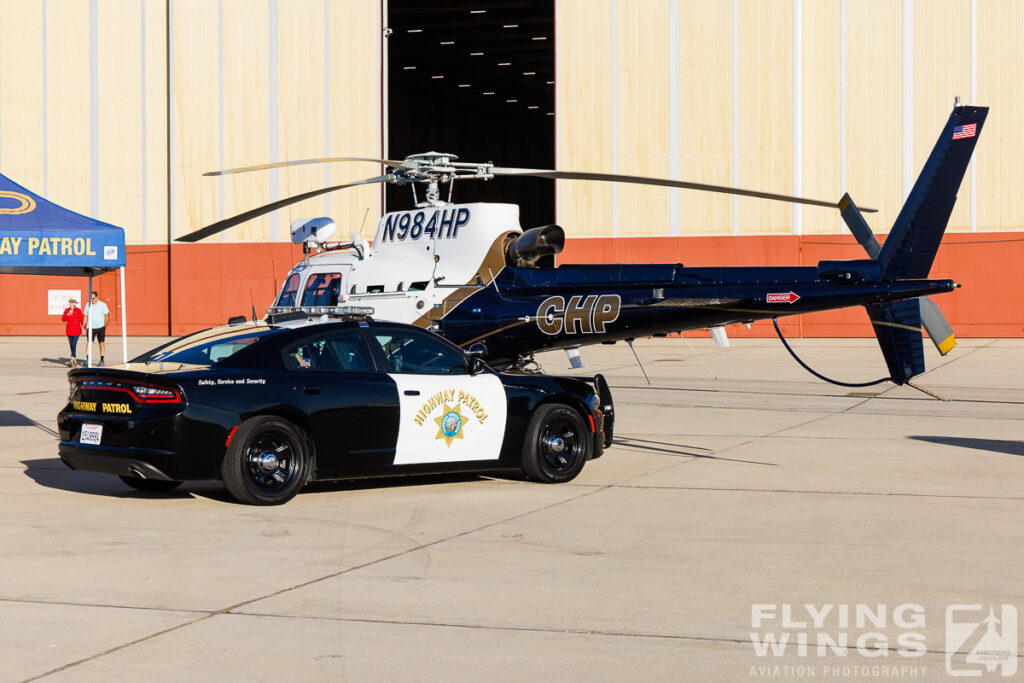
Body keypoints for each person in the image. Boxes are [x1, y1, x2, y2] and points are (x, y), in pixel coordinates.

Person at [83, 291, 110, 366]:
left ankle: (102, 360)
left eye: (93, 298)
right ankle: (88, 360)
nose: (92, 300)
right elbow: (85, 316)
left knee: (101, 343)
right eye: (91, 298)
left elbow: (107, 316)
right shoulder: (87, 305)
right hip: (91, 327)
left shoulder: (103, 305)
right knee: (89, 343)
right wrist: (83, 326)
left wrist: (104, 325)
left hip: (100, 327)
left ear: (97, 297)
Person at [61, 297, 84, 367]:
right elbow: (63, 319)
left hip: (76, 330)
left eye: (72, 303)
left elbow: (82, 319)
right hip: (69, 330)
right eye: (70, 303)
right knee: (71, 345)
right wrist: (67, 315)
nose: (70, 304)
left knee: (74, 344)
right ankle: (74, 360)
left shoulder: (78, 310)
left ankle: (72, 359)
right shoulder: (67, 310)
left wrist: (83, 328)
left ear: (74, 304)